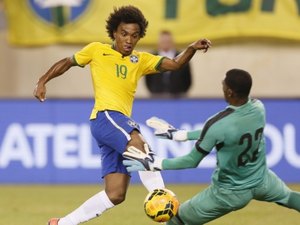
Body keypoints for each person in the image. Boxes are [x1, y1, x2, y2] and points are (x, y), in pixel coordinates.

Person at [33, 5, 211, 225]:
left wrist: (192, 47)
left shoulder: (141, 60)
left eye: (134, 36)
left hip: (114, 126)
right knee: (140, 145)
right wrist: (43, 80)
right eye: (124, 34)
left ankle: (61, 223)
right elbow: (67, 63)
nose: (129, 40)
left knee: (115, 194)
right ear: (114, 33)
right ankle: (165, 206)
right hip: (106, 117)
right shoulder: (96, 50)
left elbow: (175, 64)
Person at [123, 69, 300, 225]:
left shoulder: (218, 123)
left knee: (176, 220)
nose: (221, 87)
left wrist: (155, 162)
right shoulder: (258, 108)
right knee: (290, 197)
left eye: (223, 84)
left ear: (229, 92)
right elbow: (221, 132)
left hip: (229, 192)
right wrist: (181, 135)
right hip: (262, 180)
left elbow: (192, 160)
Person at [145, 30, 192, 98]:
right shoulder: (152, 57)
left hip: (178, 96)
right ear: (159, 42)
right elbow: (148, 78)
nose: (165, 43)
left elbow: (188, 79)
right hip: (157, 96)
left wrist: (181, 92)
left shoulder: (182, 57)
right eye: (163, 41)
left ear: (172, 42)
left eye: (167, 41)